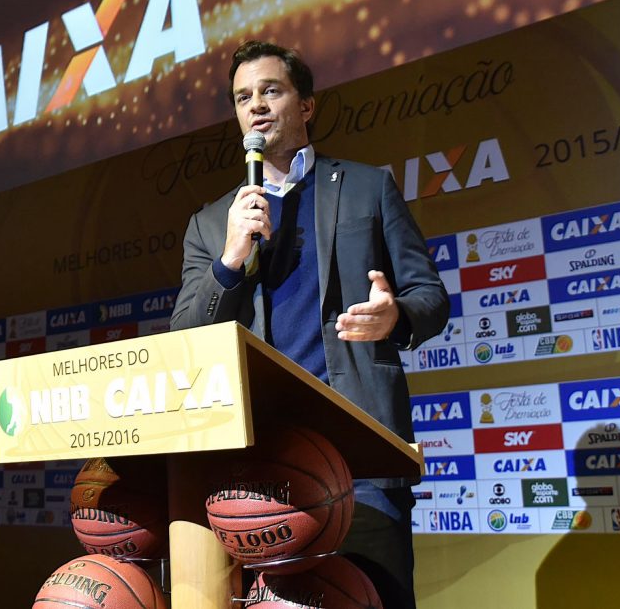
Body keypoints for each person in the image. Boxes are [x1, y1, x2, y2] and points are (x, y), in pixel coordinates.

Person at [170, 40, 449, 607]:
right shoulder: (211, 223)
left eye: (271, 90)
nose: (256, 105)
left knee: (376, 597)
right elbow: (187, 338)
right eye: (243, 97)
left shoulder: (368, 188)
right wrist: (229, 260)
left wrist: (394, 315)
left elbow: (431, 298)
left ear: (306, 105)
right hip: (257, 463)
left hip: (361, 454)